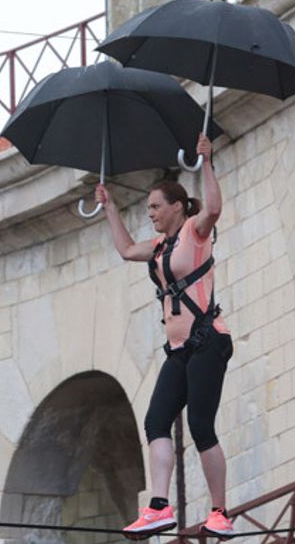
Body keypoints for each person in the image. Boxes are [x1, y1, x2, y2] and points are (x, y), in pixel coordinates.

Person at [98, 134, 234, 540]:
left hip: (209, 340)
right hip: (179, 350)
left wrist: (206, 162)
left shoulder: (195, 231)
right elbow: (124, 249)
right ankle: (159, 506)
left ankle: (220, 512)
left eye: (156, 207)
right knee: (156, 421)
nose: (151, 214)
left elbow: (213, 206)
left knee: (200, 426)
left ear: (177, 206)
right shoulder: (158, 246)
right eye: (148, 209)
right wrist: (108, 206)